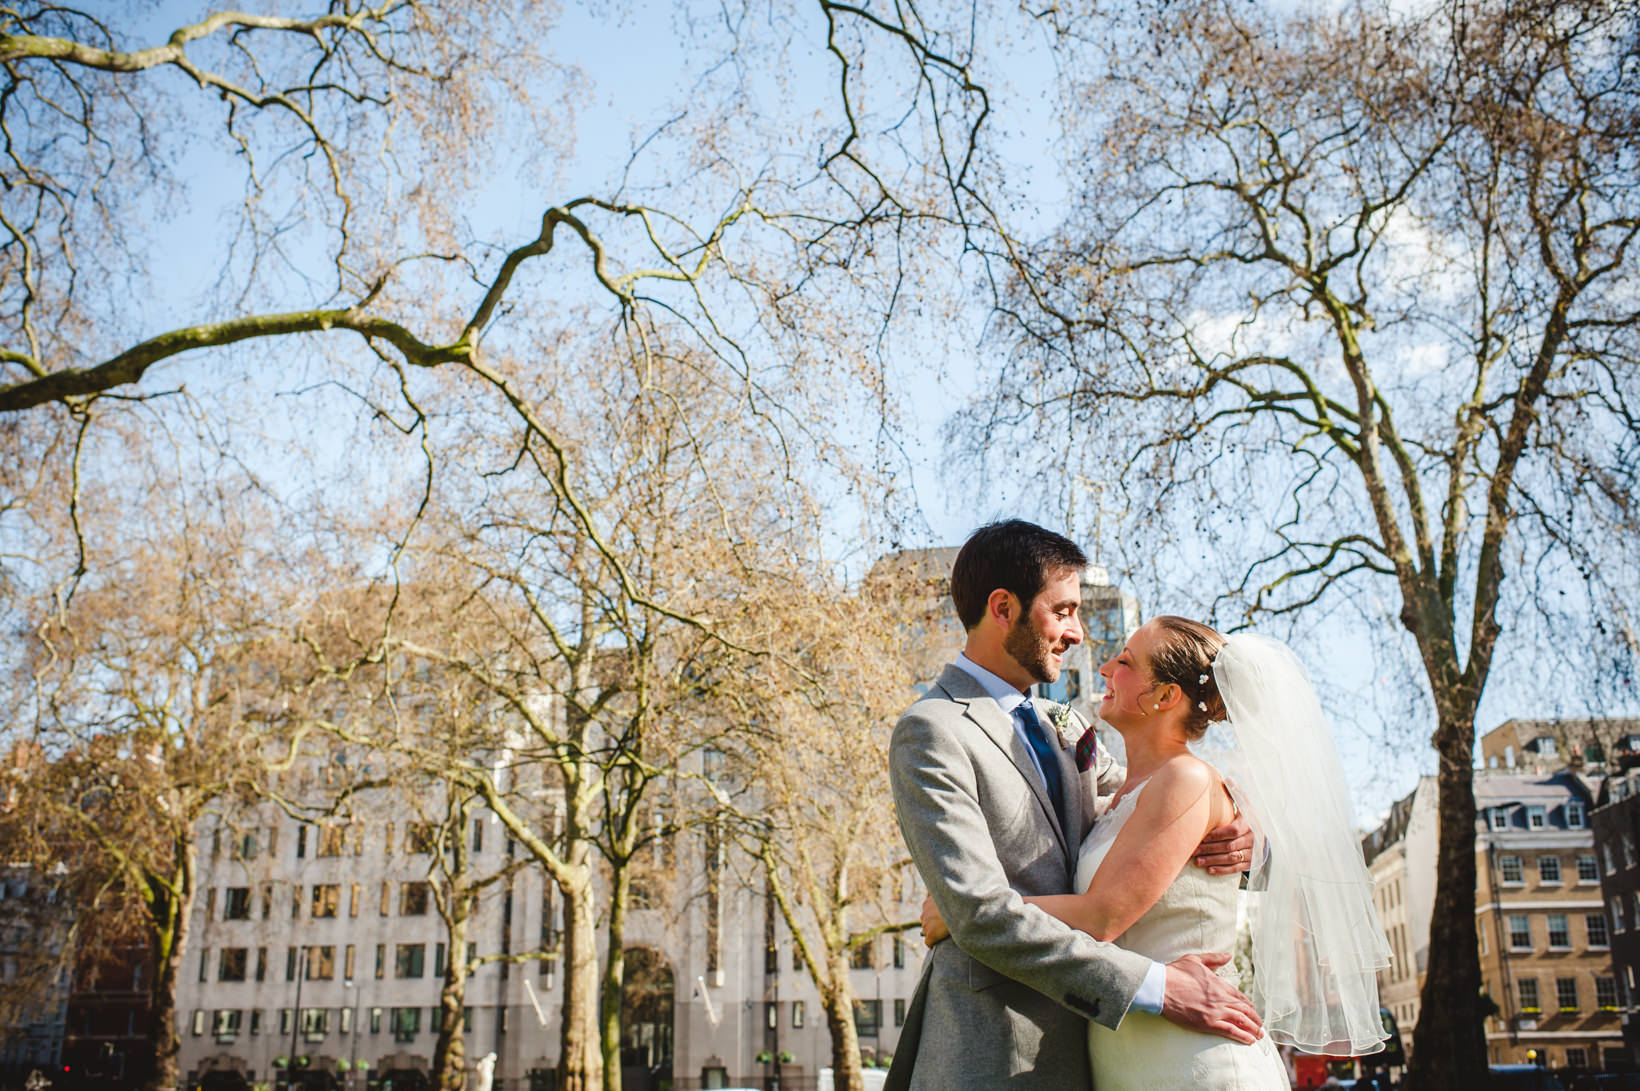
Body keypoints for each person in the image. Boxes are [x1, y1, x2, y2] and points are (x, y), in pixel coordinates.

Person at [924, 615, 1392, 1088]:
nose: (1105, 667)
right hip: (1125, 1051)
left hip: (1189, 1054)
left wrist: (965, 911)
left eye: (1125, 661)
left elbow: (1103, 915)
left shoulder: (1185, 779)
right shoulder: (1125, 792)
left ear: (1166, 696)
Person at [884, 521, 1264, 1091]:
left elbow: (1150, 805)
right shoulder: (931, 731)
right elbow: (981, 916)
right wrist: (1159, 987)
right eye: (1063, 611)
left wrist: (1242, 826)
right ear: (1004, 607)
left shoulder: (1067, 728)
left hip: (1108, 1054)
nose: (1079, 634)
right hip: (997, 1053)